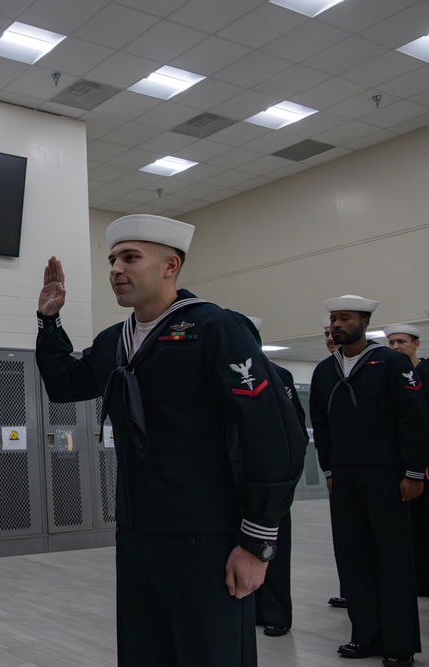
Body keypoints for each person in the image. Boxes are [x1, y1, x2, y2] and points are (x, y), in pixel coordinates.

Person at [35, 214, 305, 667]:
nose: (116, 269)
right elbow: (66, 384)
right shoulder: (115, 341)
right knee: (144, 652)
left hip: (208, 538)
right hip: (139, 533)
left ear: (170, 265)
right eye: (113, 260)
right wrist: (49, 322)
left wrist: (258, 543)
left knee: (210, 655)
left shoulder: (215, 328)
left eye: (130, 258)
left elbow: (272, 435)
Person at [310, 296, 429, 666]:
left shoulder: (390, 362)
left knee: (393, 559)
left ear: (364, 321)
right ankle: (365, 636)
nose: (336, 325)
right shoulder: (325, 370)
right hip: (344, 478)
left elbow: (414, 418)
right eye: (333, 319)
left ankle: (399, 644)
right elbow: (322, 426)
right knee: (353, 557)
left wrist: (412, 472)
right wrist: (329, 471)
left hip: (387, 476)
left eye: (345, 318)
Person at [245, 317, 308, 638]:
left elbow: (293, 425)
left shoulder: (277, 374)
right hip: (235, 477)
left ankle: (276, 613)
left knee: (273, 547)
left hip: (269, 474)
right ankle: (250, 609)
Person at [384, 324, 429, 595]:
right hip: (402, 464)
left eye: (401, 341)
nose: (396, 347)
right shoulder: (392, 373)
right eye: (391, 342)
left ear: (416, 344)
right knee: (412, 527)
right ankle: (418, 580)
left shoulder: (426, 371)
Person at [320, 314, 349, 609]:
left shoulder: (381, 364)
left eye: (333, 332)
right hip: (340, 469)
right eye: (326, 333)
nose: (330, 338)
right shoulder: (325, 372)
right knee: (346, 537)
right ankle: (350, 589)